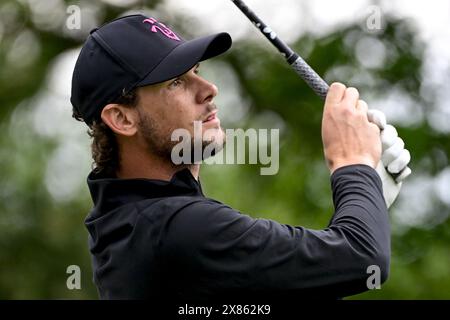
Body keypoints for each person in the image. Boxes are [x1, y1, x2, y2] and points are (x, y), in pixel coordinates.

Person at [70, 14, 410, 300]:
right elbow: (363, 260)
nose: (208, 89)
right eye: (175, 82)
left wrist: (367, 197)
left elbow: (306, 280)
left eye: (196, 71)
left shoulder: (131, 223)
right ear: (122, 119)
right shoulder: (176, 227)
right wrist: (352, 164)